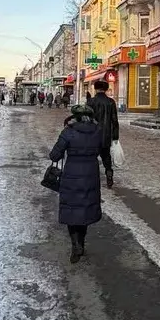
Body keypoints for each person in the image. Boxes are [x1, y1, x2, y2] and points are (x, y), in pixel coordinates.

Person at [49, 104, 104, 263]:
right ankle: (82, 242)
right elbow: (102, 150)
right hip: (91, 174)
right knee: (85, 209)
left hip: (71, 174)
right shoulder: (97, 131)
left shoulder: (68, 132)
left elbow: (54, 156)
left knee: (72, 210)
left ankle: (75, 245)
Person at [88, 79, 119, 188]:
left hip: (93, 134)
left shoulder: (91, 101)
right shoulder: (111, 102)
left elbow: (87, 119)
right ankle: (109, 173)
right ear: (105, 89)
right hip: (106, 134)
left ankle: (91, 178)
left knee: (91, 157)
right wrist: (115, 136)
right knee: (106, 156)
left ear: (96, 89)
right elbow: (114, 120)